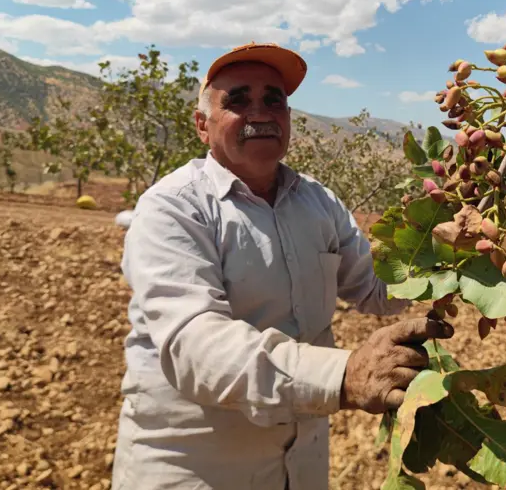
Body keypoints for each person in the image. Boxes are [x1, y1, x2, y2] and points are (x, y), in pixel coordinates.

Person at [110, 42, 454, 490]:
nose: (261, 112)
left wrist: (453, 257)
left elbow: (375, 287)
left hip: (302, 463)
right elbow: (196, 348)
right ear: (202, 124)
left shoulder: (319, 202)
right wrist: (344, 375)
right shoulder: (172, 209)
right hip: (193, 469)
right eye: (238, 100)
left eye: (274, 100)